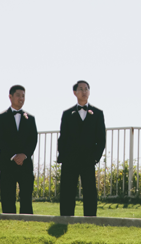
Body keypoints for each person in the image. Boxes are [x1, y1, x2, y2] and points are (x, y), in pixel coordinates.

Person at [57, 80, 106, 216]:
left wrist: (95, 158)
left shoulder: (98, 113)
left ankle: (90, 218)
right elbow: (63, 137)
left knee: (90, 190)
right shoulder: (67, 114)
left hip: (88, 159)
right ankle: (65, 218)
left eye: (86, 89)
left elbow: (101, 139)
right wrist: (63, 156)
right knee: (67, 190)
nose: (84, 92)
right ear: (75, 92)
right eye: (81, 89)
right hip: (70, 159)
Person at [0, 85, 37, 214]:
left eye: (23, 96)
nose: (21, 98)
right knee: (7, 196)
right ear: (10, 97)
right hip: (7, 162)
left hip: (25, 163)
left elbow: (33, 139)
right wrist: (13, 155)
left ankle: (27, 221)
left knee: (26, 196)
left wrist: (24, 155)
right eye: (18, 95)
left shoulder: (30, 118)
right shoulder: (1, 117)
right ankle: (8, 220)